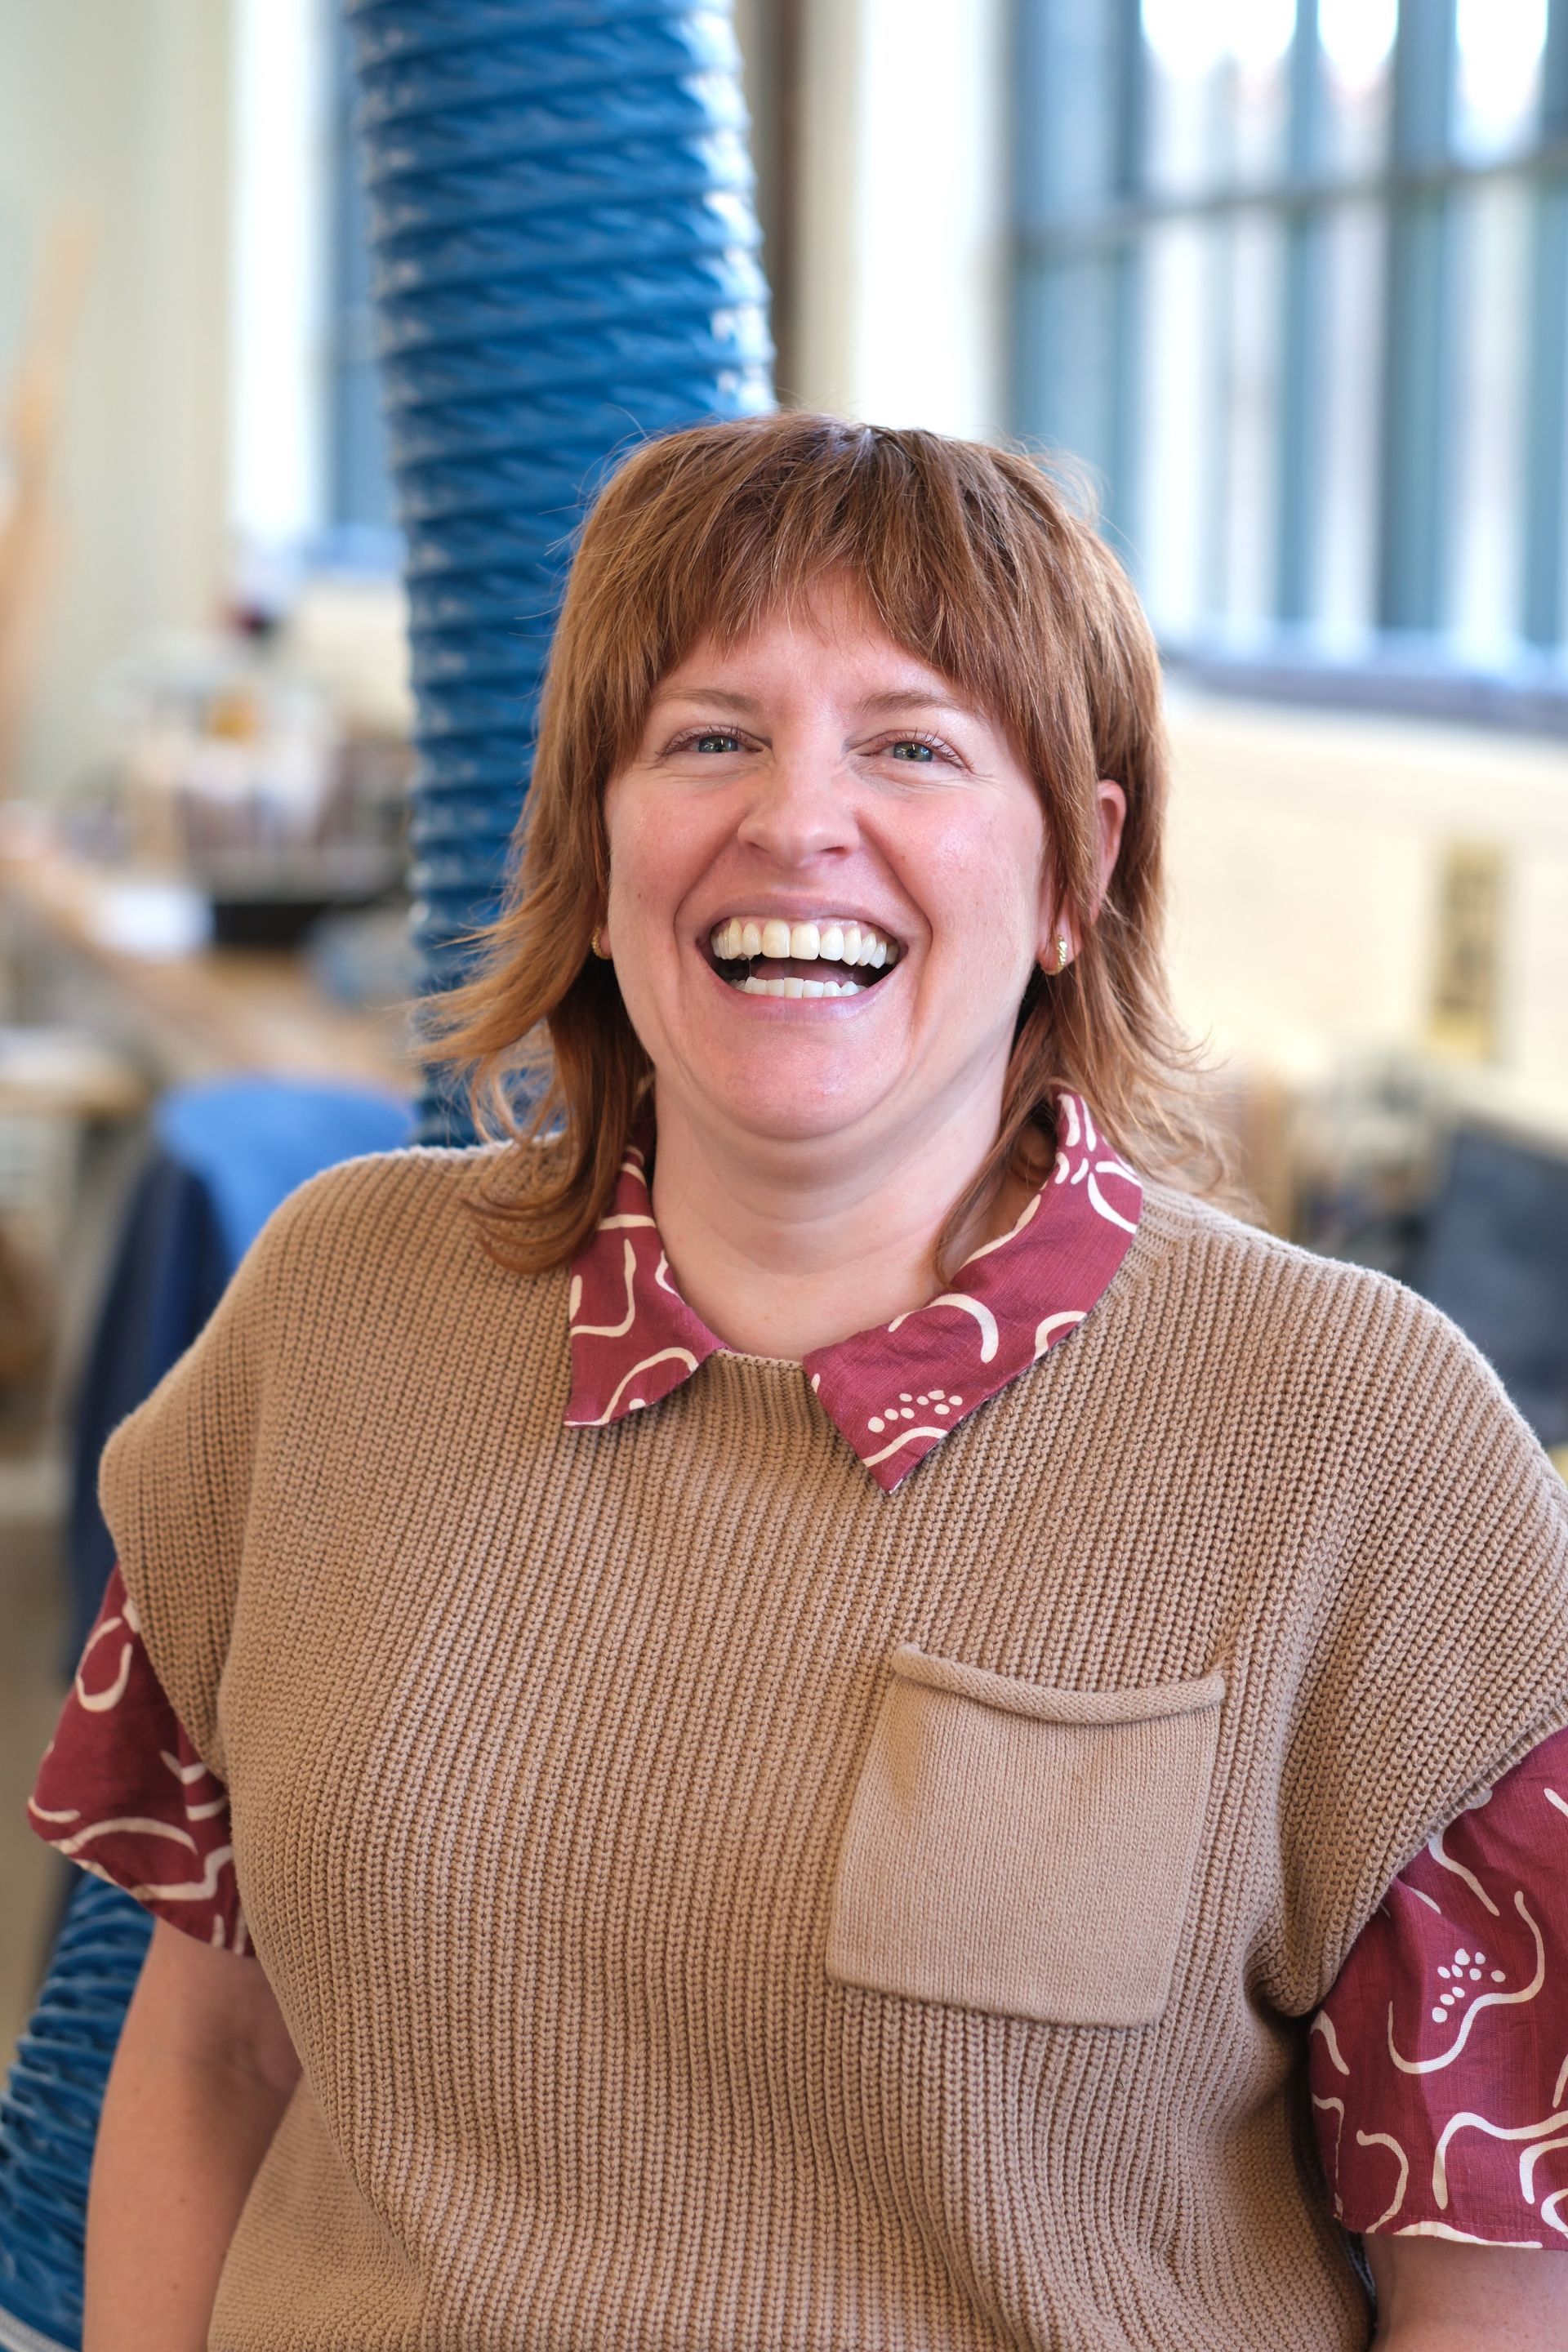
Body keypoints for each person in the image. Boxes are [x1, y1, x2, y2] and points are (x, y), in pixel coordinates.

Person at [30, 414, 1568, 2352]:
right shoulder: (332, 1318)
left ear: (1078, 870)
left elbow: (1497, 2286)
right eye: (709, 738)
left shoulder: (1361, 1444)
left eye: (912, 745)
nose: (797, 821)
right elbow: (213, 2060)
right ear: (596, 848)